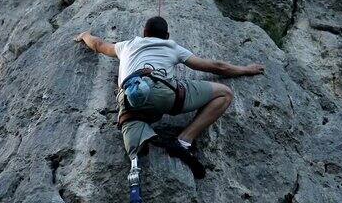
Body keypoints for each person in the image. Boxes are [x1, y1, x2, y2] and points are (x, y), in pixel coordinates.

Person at [75, 16, 264, 178]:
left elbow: (98, 45)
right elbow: (216, 66)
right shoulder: (171, 46)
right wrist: (246, 69)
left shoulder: (126, 45)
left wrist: (85, 35)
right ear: (167, 36)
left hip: (130, 99)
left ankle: (142, 136)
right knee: (224, 93)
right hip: (164, 94)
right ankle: (183, 140)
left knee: (133, 139)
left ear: (144, 32)